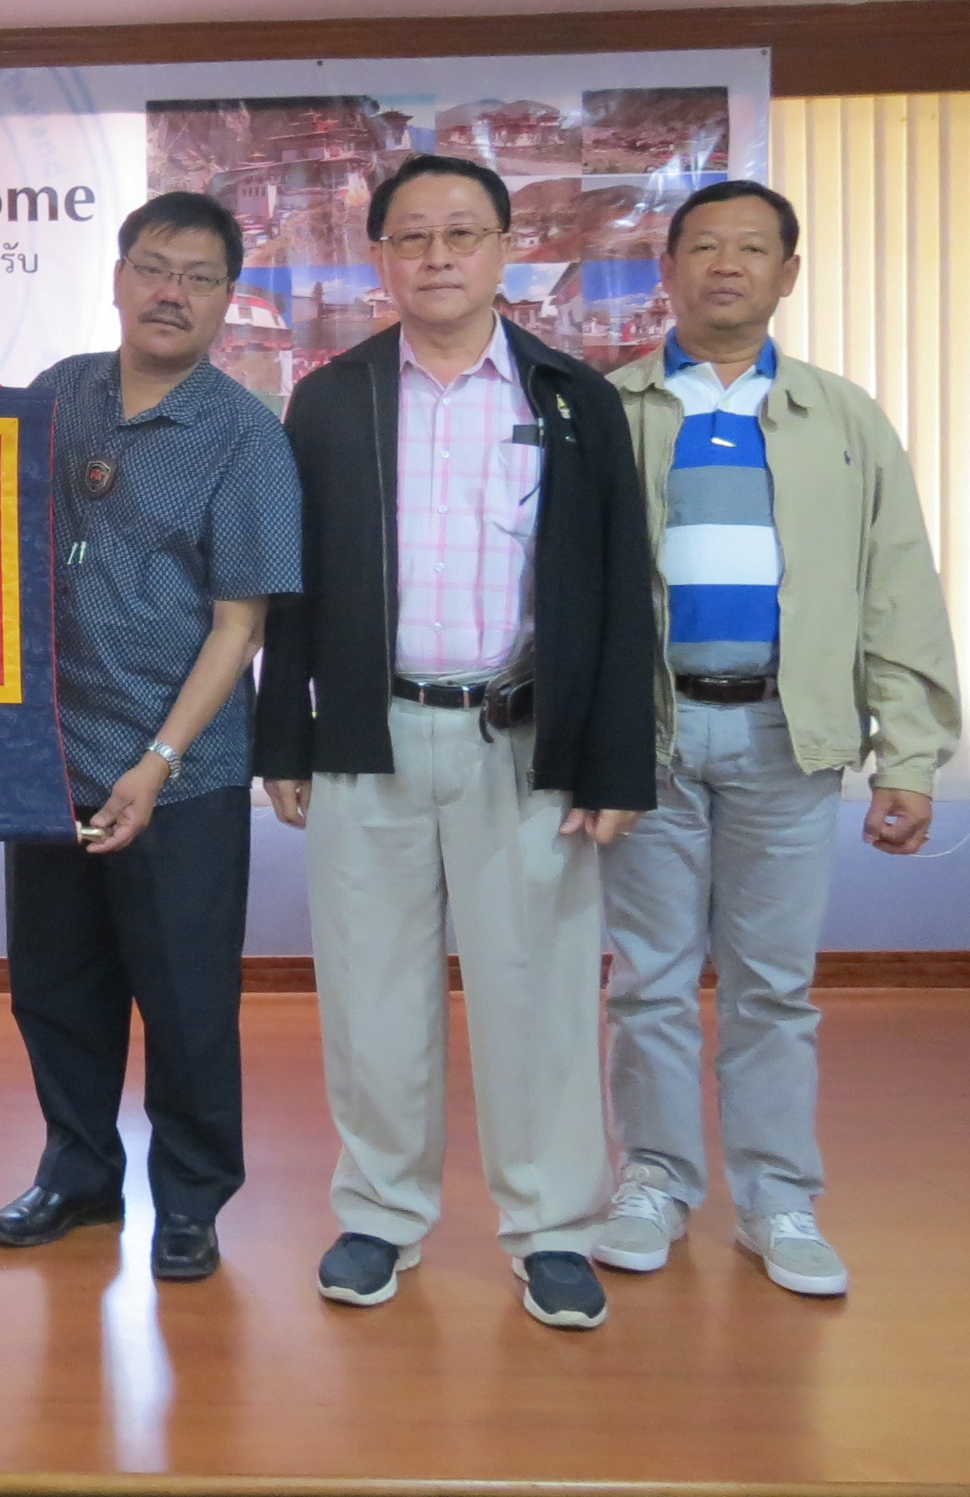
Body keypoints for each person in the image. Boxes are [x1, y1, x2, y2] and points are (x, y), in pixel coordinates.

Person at [257, 153, 657, 1331]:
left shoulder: (571, 398)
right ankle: (380, 1212)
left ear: (503, 251)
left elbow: (618, 589)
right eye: (412, 236)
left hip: (521, 743)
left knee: (538, 992)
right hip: (365, 736)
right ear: (379, 256)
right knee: (370, 994)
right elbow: (288, 588)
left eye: (461, 233)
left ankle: (552, 1226)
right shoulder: (330, 399)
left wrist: (614, 760)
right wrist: (284, 739)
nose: (436, 256)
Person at [0, 193, 302, 1283]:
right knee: (54, 988)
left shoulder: (246, 436)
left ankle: (190, 1198)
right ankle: (77, 1172)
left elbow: (239, 626)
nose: (170, 292)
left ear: (226, 299)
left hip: (179, 772)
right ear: (120, 276)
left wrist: (158, 760)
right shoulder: (60, 391)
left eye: (197, 276)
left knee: (186, 1000)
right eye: (152, 268)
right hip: (49, 759)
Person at [593, 181, 958, 1297]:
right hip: (650, 737)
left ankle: (776, 1199)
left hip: (785, 736)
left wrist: (907, 754)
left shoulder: (842, 419)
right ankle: (653, 1180)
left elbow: (896, 587)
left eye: (751, 248)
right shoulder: (609, 409)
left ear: (786, 274)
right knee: (648, 980)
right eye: (702, 246)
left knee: (771, 986)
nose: (725, 265)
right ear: (666, 269)